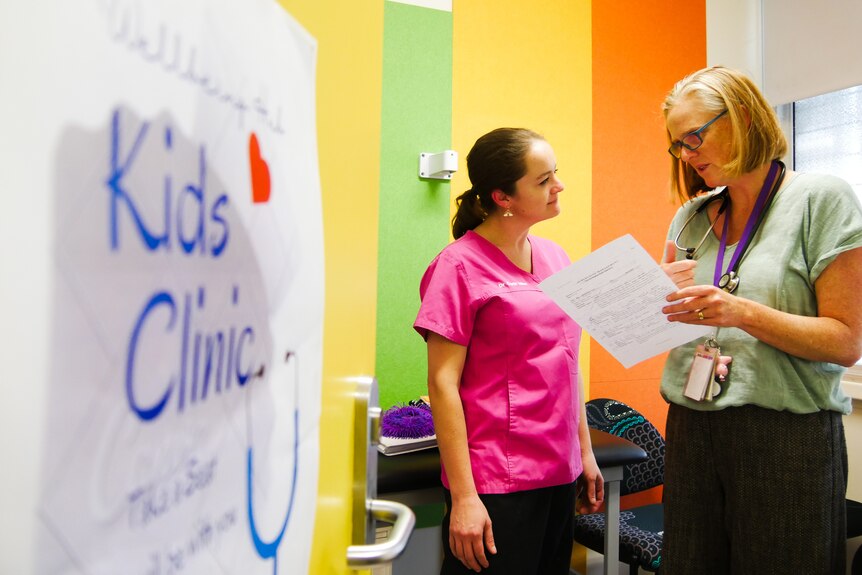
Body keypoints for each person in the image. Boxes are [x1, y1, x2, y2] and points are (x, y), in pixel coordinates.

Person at [659, 65, 862, 574]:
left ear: (744, 117)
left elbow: (845, 341)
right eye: (677, 145)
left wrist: (741, 312)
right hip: (691, 423)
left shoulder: (821, 200)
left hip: (785, 434)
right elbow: (671, 318)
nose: (687, 154)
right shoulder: (690, 217)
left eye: (694, 136)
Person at [413, 127, 604, 574]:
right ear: (503, 197)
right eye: (543, 181)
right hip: (496, 481)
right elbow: (442, 383)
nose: (558, 186)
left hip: (559, 471)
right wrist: (463, 497)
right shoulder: (458, 266)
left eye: (555, 174)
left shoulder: (557, 258)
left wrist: (585, 452)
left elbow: (567, 364)